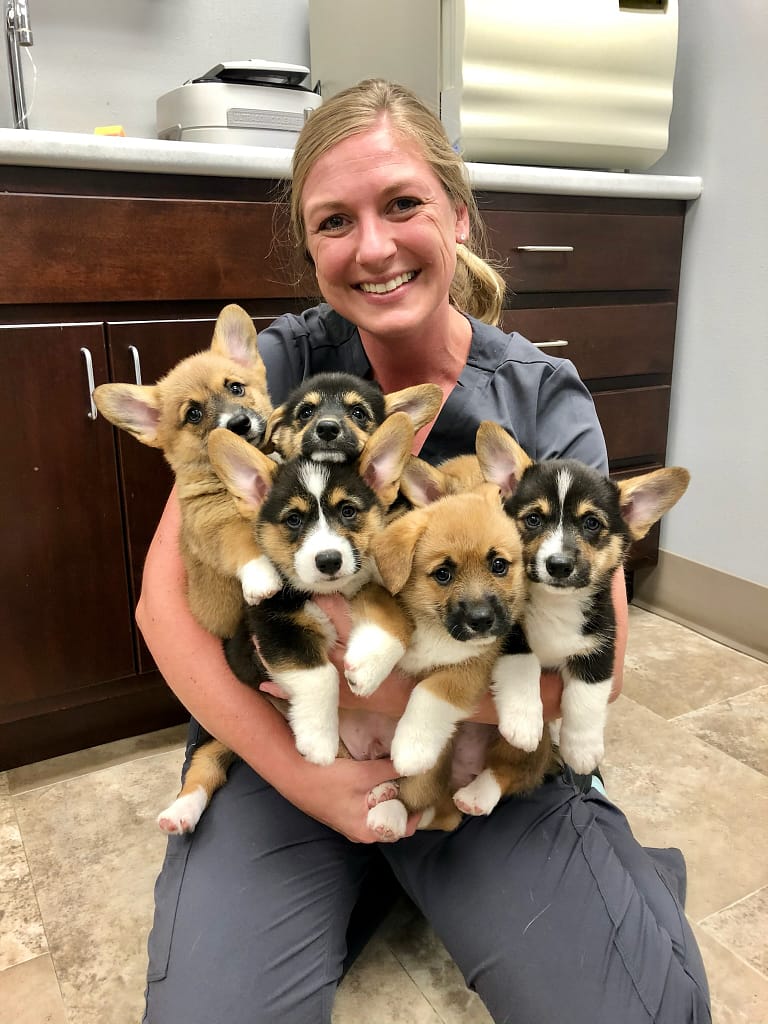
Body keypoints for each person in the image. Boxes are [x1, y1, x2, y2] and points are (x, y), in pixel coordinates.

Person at [137, 80, 711, 1024]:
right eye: (334, 221)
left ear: (458, 213)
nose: (372, 247)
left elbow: (587, 652)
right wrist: (306, 781)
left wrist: (413, 708)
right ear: (308, 245)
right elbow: (164, 608)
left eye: (403, 203)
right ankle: (388, 872)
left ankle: (519, 865)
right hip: (294, 739)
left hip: (471, 742)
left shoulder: (539, 398)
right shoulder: (273, 373)